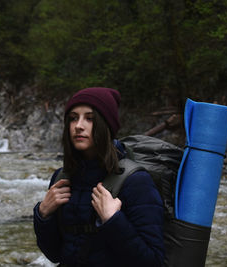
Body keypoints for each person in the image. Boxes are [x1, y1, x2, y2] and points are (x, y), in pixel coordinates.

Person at [33, 87, 165, 267]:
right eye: (73, 118)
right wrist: (43, 215)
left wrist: (113, 220)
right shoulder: (62, 178)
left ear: (106, 125)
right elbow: (54, 254)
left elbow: (153, 262)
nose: (79, 125)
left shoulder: (136, 182)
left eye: (90, 118)